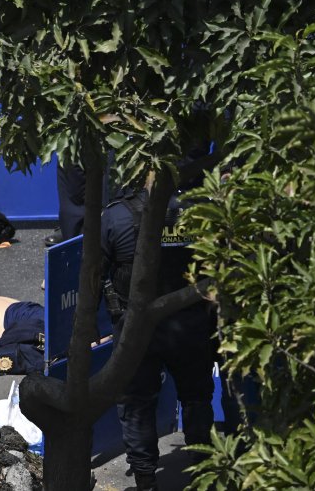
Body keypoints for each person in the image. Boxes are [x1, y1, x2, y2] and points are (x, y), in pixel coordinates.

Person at [102, 190, 217, 491]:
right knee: (196, 398)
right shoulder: (199, 210)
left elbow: (94, 274)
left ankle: (145, 481)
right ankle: (203, 471)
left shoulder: (117, 216)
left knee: (137, 405)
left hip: (136, 329)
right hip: (190, 324)